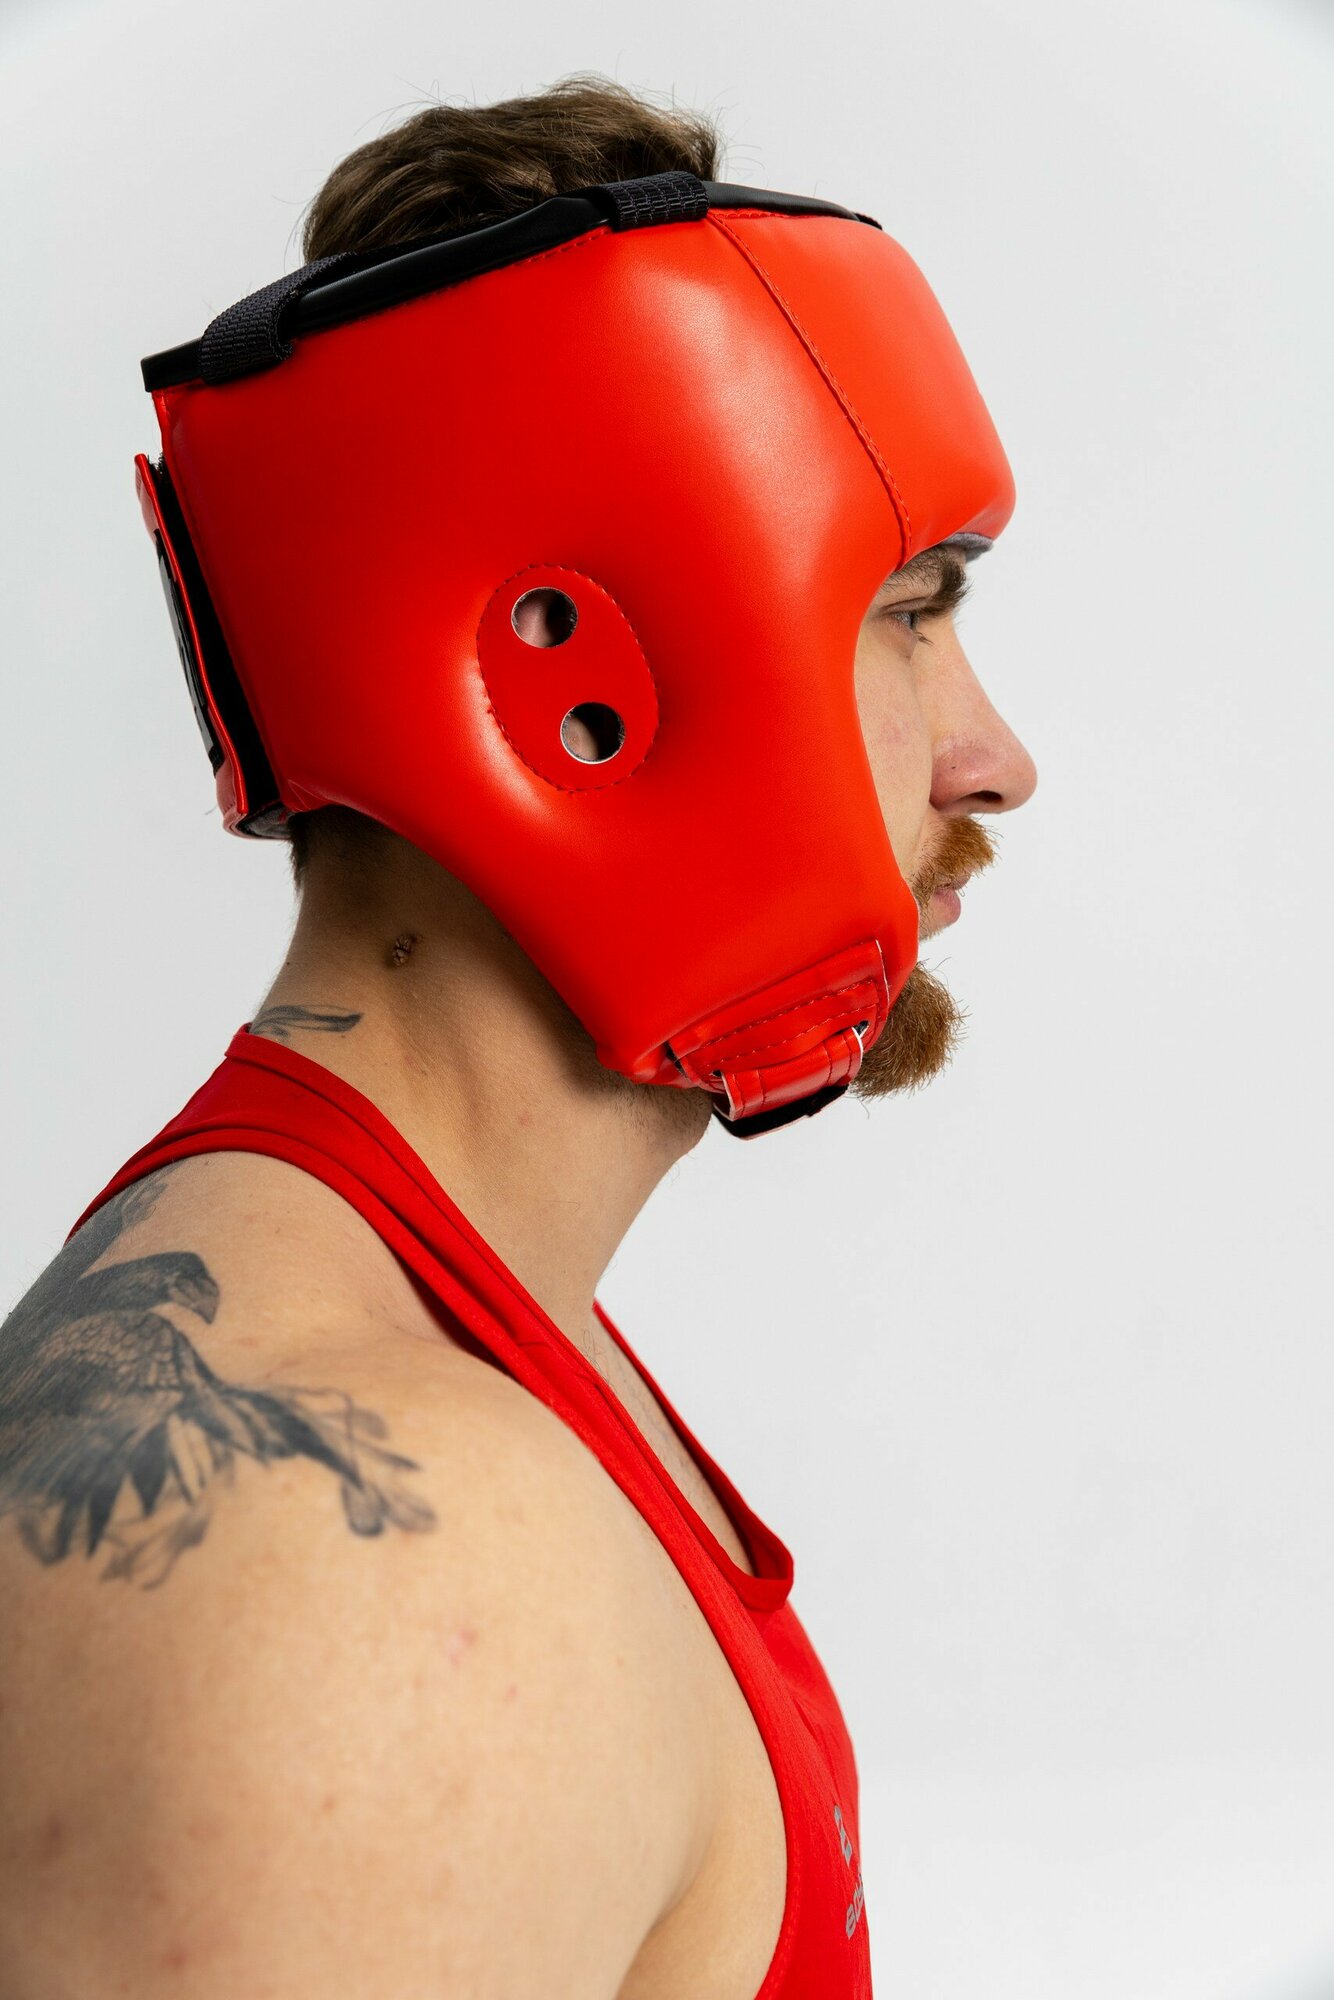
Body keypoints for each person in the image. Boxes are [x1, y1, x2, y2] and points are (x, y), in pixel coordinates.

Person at [0, 74, 1036, 1999]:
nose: (994, 757)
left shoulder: (424, 1345)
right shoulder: (367, 1563)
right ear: (580, 677)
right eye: (906, 611)